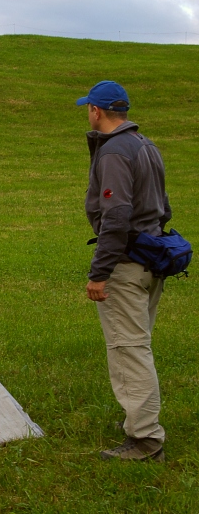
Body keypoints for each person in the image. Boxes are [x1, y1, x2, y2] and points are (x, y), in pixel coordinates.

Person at [78, 80, 171, 462]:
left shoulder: (114, 151)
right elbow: (163, 206)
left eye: (88, 107)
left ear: (96, 111)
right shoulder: (145, 145)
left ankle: (146, 439)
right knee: (136, 343)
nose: (87, 112)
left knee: (129, 349)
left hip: (127, 265)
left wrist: (100, 272)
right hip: (150, 258)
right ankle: (138, 418)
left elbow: (115, 216)